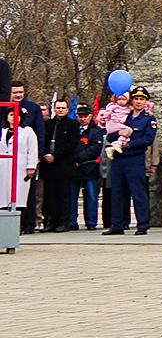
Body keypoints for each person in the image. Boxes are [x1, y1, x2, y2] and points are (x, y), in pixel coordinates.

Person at [104, 86, 156, 235]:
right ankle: (117, 225)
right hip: (119, 159)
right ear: (131, 100)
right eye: (136, 99)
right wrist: (119, 133)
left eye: (142, 99)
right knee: (117, 193)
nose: (139, 102)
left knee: (138, 193)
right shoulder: (122, 115)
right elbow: (110, 135)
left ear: (146, 101)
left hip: (135, 158)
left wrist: (129, 144)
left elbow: (148, 139)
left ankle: (143, 225)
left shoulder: (148, 118)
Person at [36, 98, 79, 232]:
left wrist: (56, 155)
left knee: (64, 195)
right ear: (54, 109)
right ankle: (51, 221)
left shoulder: (73, 124)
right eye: (58, 108)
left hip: (64, 165)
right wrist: (46, 154)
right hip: (48, 166)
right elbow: (43, 140)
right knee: (50, 195)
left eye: (63, 108)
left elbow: (72, 144)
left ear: (67, 109)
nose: (60, 110)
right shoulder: (48, 124)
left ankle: (63, 222)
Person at [9, 82, 44, 233]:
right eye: (15, 92)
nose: (18, 95)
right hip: (7, 159)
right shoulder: (3, 106)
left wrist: (38, 156)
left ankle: (28, 224)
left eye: (21, 92)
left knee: (28, 192)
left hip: (26, 158)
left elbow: (40, 132)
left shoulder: (33, 108)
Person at [71, 103, 103, 230]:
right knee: (72, 196)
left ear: (90, 116)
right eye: (80, 116)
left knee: (91, 196)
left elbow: (95, 148)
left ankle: (91, 222)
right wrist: (73, 159)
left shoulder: (96, 131)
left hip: (89, 166)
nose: (83, 118)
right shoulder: (73, 130)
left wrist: (79, 157)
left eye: (85, 116)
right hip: (74, 167)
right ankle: (72, 221)